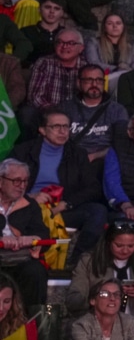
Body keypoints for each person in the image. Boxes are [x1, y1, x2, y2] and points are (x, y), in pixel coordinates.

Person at [13, 108, 106, 263]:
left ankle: (76, 261)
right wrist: (29, 197)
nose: (62, 131)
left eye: (66, 127)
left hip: (60, 210)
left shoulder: (77, 153)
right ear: (42, 130)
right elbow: (5, 183)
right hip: (28, 209)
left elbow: (93, 188)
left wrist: (67, 204)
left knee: (97, 211)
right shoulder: (23, 151)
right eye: (56, 127)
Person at [0, 159, 55, 309]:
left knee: (36, 272)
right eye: (17, 181)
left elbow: (43, 234)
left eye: (25, 181)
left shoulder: (30, 204)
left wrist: (34, 239)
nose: (22, 186)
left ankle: (32, 324)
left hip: (20, 260)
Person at [59, 63, 131, 161]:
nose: (94, 84)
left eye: (99, 80)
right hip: (72, 160)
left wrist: (93, 156)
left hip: (105, 159)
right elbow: (56, 140)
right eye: (89, 80)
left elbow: (121, 143)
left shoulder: (117, 110)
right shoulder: (65, 108)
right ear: (78, 83)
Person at [24, 27, 84, 119]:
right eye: (60, 42)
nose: (64, 46)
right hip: (47, 112)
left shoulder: (86, 67)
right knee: (27, 113)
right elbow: (35, 97)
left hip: (77, 114)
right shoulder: (44, 63)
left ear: (81, 48)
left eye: (71, 43)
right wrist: (54, 112)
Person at [83, 12, 134, 79]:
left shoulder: (133, 48)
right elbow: (93, 63)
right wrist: (117, 68)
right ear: (104, 27)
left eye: (118, 23)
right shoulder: (93, 43)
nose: (115, 26)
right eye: (110, 23)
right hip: (100, 80)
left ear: (123, 27)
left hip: (125, 82)